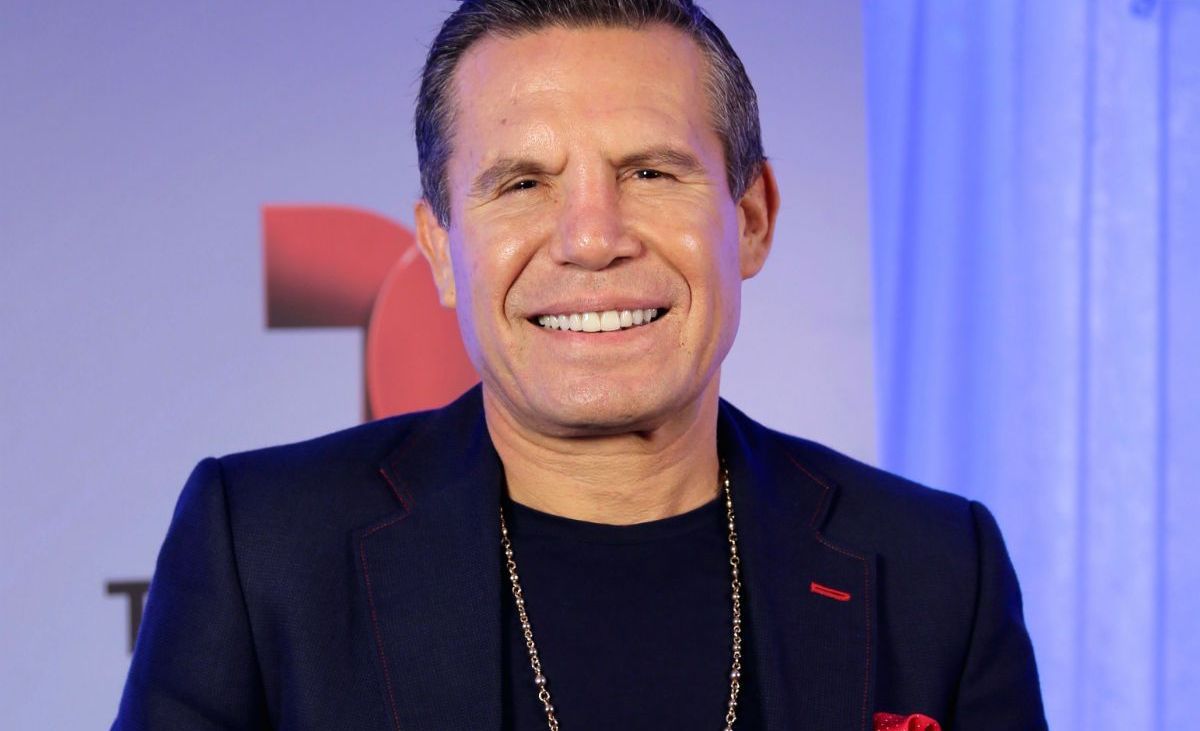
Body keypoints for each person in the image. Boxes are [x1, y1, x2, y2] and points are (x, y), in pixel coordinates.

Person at [113, 1, 1047, 729]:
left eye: (650, 172)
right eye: (523, 183)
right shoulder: (263, 550)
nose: (592, 238)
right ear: (440, 250)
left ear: (753, 217)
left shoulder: (936, 568)